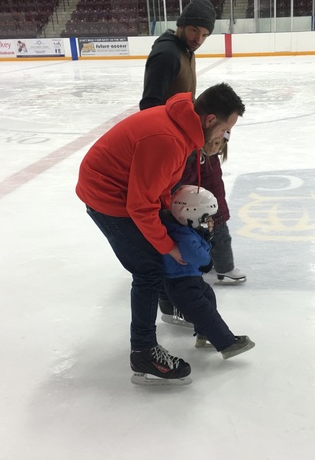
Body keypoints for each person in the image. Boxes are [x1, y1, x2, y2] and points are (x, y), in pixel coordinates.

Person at [76, 83, 246, 386]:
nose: (225, 136)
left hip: (123, 191)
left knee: (155, 254)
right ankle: (144, 352)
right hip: (107, 197)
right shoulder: (168, 140)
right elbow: (140, 205)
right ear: (209, 120)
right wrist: (169, 246)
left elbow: (160, 188)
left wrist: (170, 213)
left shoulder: (182, 131)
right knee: (148, 268)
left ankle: (176, 304)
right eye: (225, 128)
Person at [140, 0, 247, 328]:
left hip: (189, 139)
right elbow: (151, 107)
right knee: (178, 211)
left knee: (201, 203)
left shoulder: (184, 50)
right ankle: (173, 296)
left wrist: (211, 136)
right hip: (175, 145)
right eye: (194, 31)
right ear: (181, 24)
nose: (198, 38)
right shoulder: (167, 53)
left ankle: (199, 267)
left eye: (204, 34)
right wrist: (175, 147)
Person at [161, 185, 255, 361]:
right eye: (206, 217)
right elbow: (195, 255)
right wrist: (207, 260)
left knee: (208, 298)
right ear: (190, 214)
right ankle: (227, 344)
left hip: (189, 280)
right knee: (204, 312)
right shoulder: (186, 236)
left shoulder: (185, 229)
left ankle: (205, 336)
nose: (210, 221)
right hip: (182, 284)